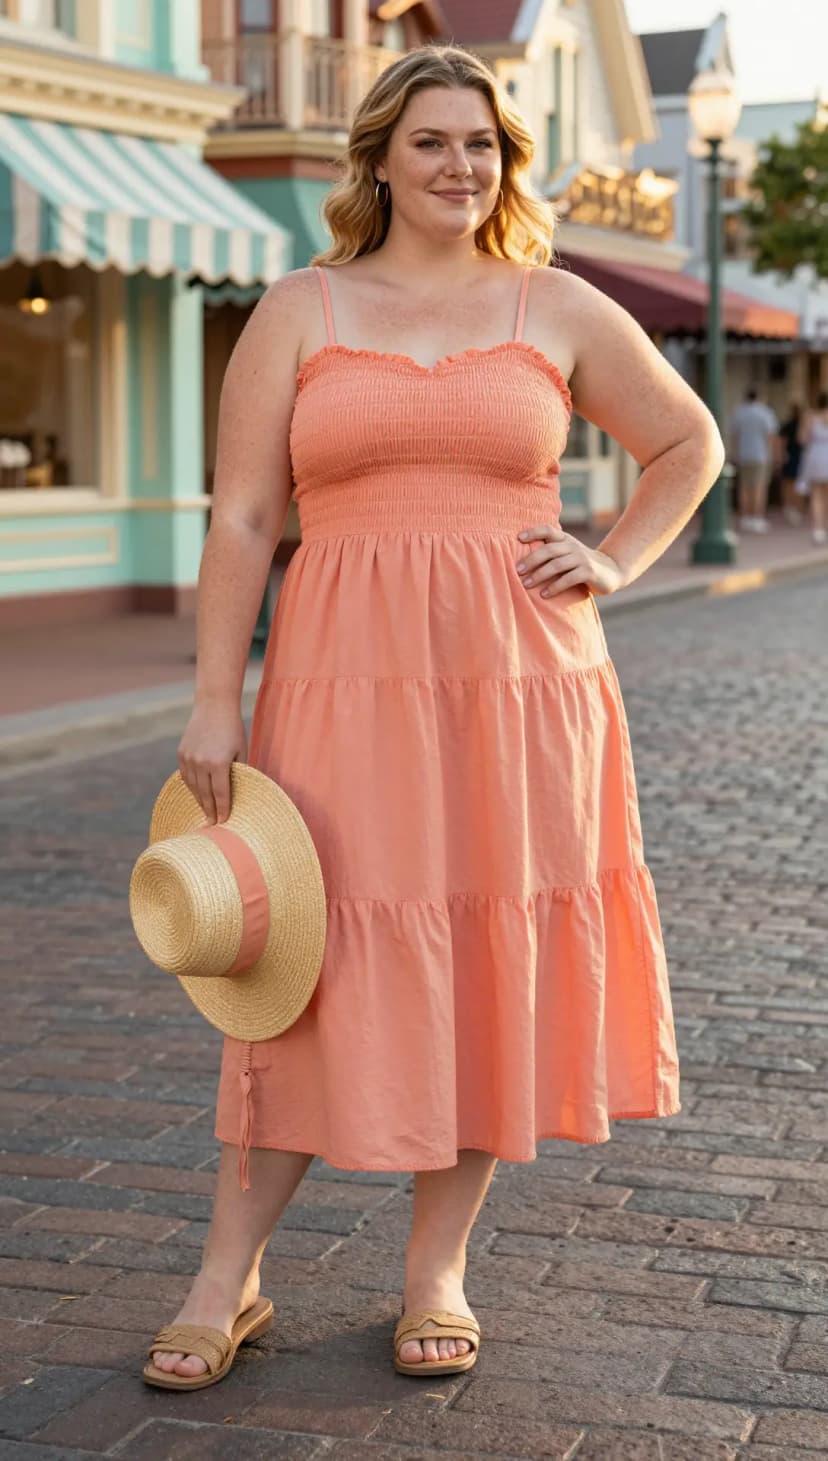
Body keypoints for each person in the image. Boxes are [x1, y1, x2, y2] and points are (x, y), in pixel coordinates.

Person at [146, 44, 724, 1387]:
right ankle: (224, 1281)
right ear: (382, 160)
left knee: (482, 955)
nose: (461, 166)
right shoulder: (302, 305)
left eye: (483, 144)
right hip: (340, 681)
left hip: (523, 689)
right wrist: (211, 703)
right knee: (299, 965)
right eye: (433, 143)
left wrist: (621, 558)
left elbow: (686, 441)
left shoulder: (558, 301)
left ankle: (436, 1273)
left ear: (504, 163)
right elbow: (241, 517)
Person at [728, 386, 780, 532]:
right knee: (759, 487)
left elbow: (734, 436)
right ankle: (757, 518)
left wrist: (734, 453)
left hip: (743, 455)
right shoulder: (765, 413)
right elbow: (771, 436)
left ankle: (745, 518)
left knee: (744, 488)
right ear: (760, 397)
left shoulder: (739, 412)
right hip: (760, 455)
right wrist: (775, 455)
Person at [799, 390, 828, 545]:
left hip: (816, 456)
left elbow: (802, 439)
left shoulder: (810, 417)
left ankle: (818, 529)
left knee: (816, 495)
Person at [779, 401, 804, 526]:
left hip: (790, 457)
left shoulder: (788, 425)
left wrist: (781, 455)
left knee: (788, 483)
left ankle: (789, 507)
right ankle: (795, 508)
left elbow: (782, 442)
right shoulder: (801, 425)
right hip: (799, 457)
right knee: (796, 484)